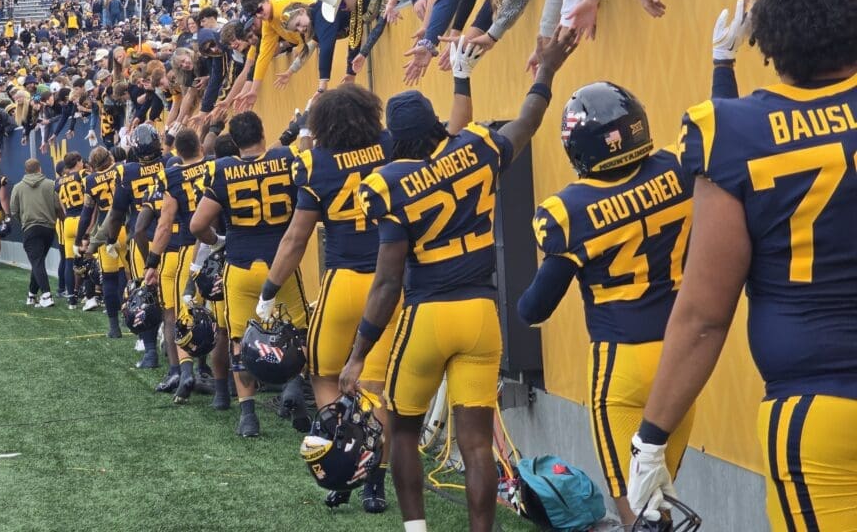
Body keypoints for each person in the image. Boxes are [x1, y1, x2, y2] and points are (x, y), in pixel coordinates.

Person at [626, 0, 857, 530]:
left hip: (820, 406)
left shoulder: (729, 130)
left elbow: (706, 313)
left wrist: (652, 437)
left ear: (770, 49)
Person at [338, 29, 578, 532]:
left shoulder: (388, 183)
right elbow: (528, 119)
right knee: (475, 443)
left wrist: (359, 352)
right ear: (434, 129)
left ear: (393, 141)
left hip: (429, 313)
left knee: (402, 428)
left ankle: (417, 528)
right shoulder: (476, 149)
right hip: (482, 316)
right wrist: (548, 69)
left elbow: (386, 283)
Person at [517, 81, 695, 525]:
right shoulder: (677, 168)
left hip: (623, 364)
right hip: (686, 355)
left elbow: (534, 309)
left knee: (639, 510)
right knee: (662, 498)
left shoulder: (569, 210)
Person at [257, 84, 395, 512]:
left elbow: (296, 238)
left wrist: (268, 294)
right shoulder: (389, 147)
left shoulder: (316, 165)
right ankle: (375, 479)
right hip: (390, 283)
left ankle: (342, 468)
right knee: (375, 386)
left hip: (342, 282)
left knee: (325, 375)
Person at [190, 111, 311, 438]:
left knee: (240, 342)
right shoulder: (287, 159)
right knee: (299, 331)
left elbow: (198, 225)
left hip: (240, 266)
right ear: (262, 132)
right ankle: (294, 387)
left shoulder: (221, 169)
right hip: (280, 263)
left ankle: (248, 416)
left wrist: (218, 242)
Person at [141, 128, 211, 403]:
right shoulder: (216, 166)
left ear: (178, 154)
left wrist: (151, 261)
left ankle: (184, 371)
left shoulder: (170, 175)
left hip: (186, 250)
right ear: (201, 148)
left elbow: (163, 224)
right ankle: (219, 380)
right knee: (218, 318)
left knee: (183, 314)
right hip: (219, 246)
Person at [95, 125, 166, 366]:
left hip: (142, 238)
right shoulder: (172, 162)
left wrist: (112, 239)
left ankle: (150, 352)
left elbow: (116, 214)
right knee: (177, 295)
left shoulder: (127, 173)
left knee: (144, 294)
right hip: (173, 236)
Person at [77, 146, 126, 337]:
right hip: (125, 225)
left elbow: (87, 212)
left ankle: (114, 327)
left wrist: (82, 238)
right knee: (130, 277)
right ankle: (132, 320)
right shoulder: (122, 169)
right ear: (110, 157)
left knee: (109, 279)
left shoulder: (89, 181)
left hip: (106, 232)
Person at [10, 158, 64, 308]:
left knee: (37, 261)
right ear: (39, 169)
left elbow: (14, 210)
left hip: (30, 227)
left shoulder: (18, 187)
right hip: (48, 228)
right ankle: (32, 294)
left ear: (26, 170)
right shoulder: (51, 184)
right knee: (38, 261)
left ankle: (46, 295)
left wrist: (23, 221)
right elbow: (58, 206)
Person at [55, 152, 85, 309]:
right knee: (89, 258)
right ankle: (90, 294)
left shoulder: (58, 181)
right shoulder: (82, 175)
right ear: (78, 162)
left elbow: (62, 205)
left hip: (68, 222)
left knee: (68, 261)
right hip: (82, 219)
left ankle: (71, 298)